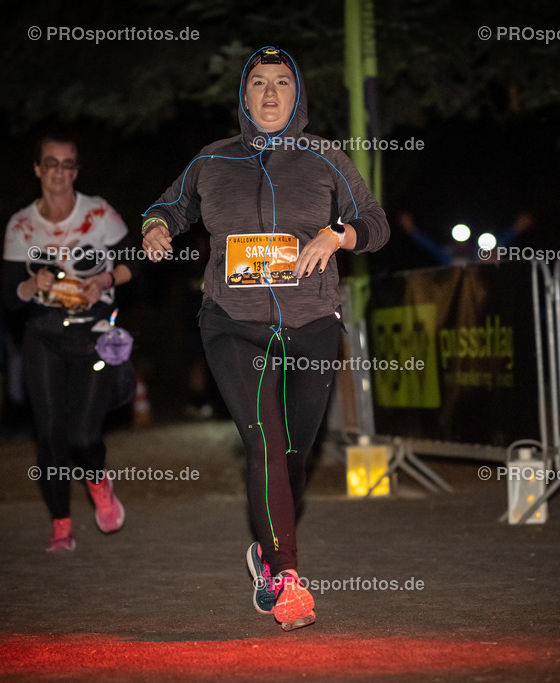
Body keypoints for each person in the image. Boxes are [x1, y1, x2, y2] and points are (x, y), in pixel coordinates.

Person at [142, 46, 389, 630]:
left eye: (282, 83)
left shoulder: (327, 158)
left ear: (297, 94)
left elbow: (374, 224)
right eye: (259, 83)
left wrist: (338, 237)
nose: (271, 94)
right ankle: (288, 580)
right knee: (266, 446)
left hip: (311, 324)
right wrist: (156, 227)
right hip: (234, 322)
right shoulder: (213, 159)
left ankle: (266, 551)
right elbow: (169, 206)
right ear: (244, 95)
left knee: (295, 455)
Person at [3, 135, 138, 553]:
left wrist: (104, 279)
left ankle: (97, 481)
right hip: (44, 332)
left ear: (76, 171)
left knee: (82, 435)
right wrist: (31, 282)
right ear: (38, 169)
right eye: (52, 163)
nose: (60, 172)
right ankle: (61, 523)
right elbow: (11, 296)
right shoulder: (21, 225)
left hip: (93, 333)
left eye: (68, 165)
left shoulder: (98, 213)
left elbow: (135, 263)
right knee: (49, 435)